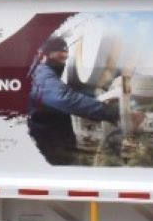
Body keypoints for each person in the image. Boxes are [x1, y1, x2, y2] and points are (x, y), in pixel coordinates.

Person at [26, 35, 116, 165]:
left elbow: (66, 93)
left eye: (65, 58)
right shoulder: (42, 75)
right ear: (43, 55)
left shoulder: (41, 72)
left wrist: (95, 99)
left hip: (52, 139)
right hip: (50, 146)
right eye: (59, 58)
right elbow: (65, 99)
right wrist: (114, 113)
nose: (62, 63)